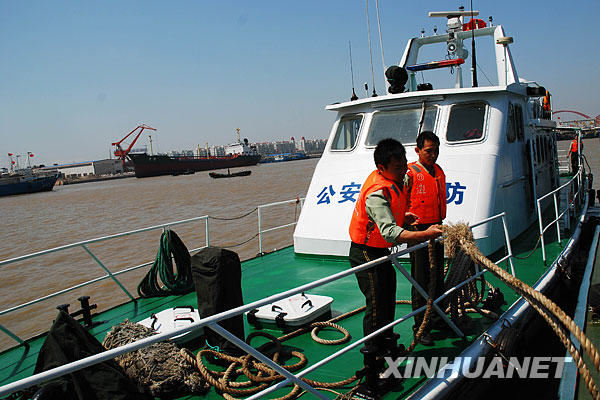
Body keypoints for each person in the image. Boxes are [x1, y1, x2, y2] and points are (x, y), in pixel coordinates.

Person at [348, 138, 443, 359]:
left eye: (404, 164)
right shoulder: (376, 193)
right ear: (381, 168)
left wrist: (404, 216)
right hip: (365, 252)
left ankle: (387, 346)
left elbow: (393, 214)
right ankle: (372, 359)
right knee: (376, 304)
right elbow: (390, 233)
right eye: (398, 168)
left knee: (387, 297)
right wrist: (426, 234)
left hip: (379, 251)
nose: (404, 171)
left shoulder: (395, 180)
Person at [406, 131, 446, 346]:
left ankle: (438, 318)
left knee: (437, 275)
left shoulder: (438, 171)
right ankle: (420, 327)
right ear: (418, 150)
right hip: (419, 230)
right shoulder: (410, 173)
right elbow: (400, 200)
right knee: (420, 278)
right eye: (429, 151)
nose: (433, 155)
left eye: (436, 151)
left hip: (436, 227)